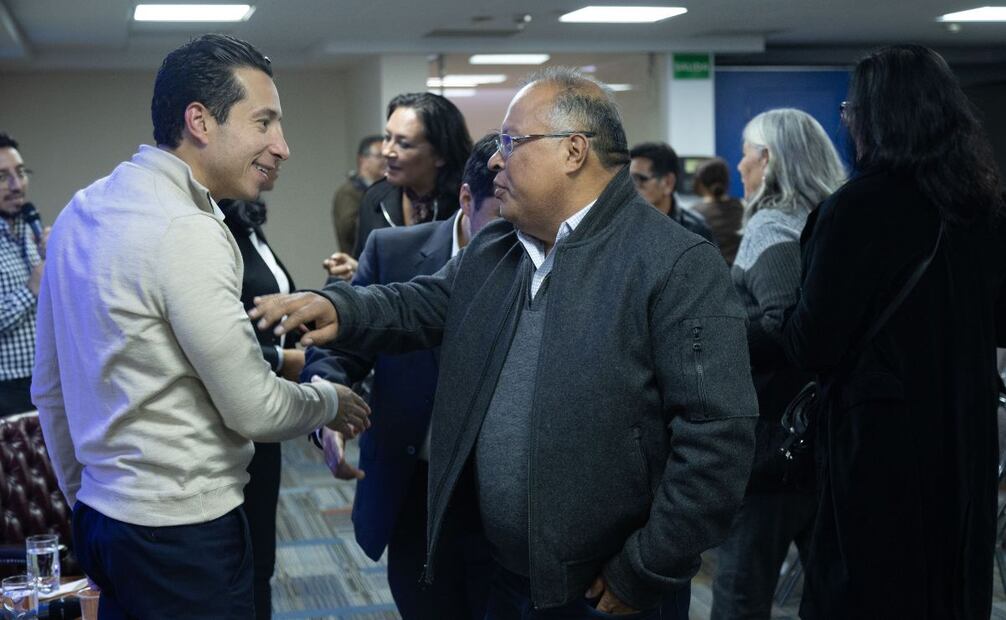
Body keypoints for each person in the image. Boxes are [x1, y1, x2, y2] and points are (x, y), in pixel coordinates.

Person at [251, 67, 758, 619]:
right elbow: (419, 303)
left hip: (607, 589)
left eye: (514, 142)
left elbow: (717, 443)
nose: (495, 157)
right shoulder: (502, 246)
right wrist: (339, 306)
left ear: (573, 151)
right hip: (506, 573)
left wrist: (644, 568)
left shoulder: (674, 264)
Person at [32, 34, 370, 618]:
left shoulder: (81, 209)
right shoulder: (186, 228)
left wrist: (90, 499)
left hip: (105, 523)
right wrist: (328, 401)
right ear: (200, 121)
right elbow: (254, 411)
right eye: (263, 122)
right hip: (182, 537)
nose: (282, 146)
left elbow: (50, 389)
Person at [781, 45, 1006, 619]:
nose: (847, 119)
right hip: (967, 434)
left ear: (875, 117)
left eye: (851, 108)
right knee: (951, 587)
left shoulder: (856, 210)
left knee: (871, 589)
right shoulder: (981, 207)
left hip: (879, 441)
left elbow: (814, 343)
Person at [307, 133, 501, 619]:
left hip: (503, 493)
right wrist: (328, 403)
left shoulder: (540, 259)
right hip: (416, 484)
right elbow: (343, 349)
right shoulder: (393, 251)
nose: (514, 239)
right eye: (501, 221)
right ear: (465, 199)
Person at [710, 109, 846, 619]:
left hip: (773, 437)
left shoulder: (771, 225)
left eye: (746, 152)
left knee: (741, 591)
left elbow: (781, 322)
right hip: (821, 430)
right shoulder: (828, 221)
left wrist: (714, 338)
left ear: (767, 160)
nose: (739, 165)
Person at [220, 194, 302, 619]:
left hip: (265, 410)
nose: (279, 151)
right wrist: (283, 361)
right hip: (230, 417)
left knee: (260, 561)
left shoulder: (248, 222)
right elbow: (216, 337)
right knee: (239, 563)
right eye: (264, 124)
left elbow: (268, 300)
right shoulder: (215, 229)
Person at [323, 92, 472, 281]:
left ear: (440, 154)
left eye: (403, 144)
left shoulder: (465, 206)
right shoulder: (376, 198)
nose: (387, 151)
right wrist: (357, 270)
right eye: (387, 138)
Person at [0, 132, 45, 416]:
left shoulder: (31, 231)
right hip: (6, 389)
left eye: (20, 173)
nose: (17, 185)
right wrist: (31, 289)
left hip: (42, 379)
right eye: (3, 177)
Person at [629, 141, 714, 242]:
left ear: (668, 183)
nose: (632, 188)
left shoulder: (695, 231)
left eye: (639, 179)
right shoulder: (623, 225)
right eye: (629, 180)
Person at [332, 135, 384, 255]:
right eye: (379, 156)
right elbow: (348, 230)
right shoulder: (348, 192)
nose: (386, 161)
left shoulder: (385, 189)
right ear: (363, 160)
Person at [691, 157, 744, 265]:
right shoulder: (743, 207)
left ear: (700, 183)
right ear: (727, 180)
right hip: (741, 275)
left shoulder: (693, 214)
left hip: (713, 276)